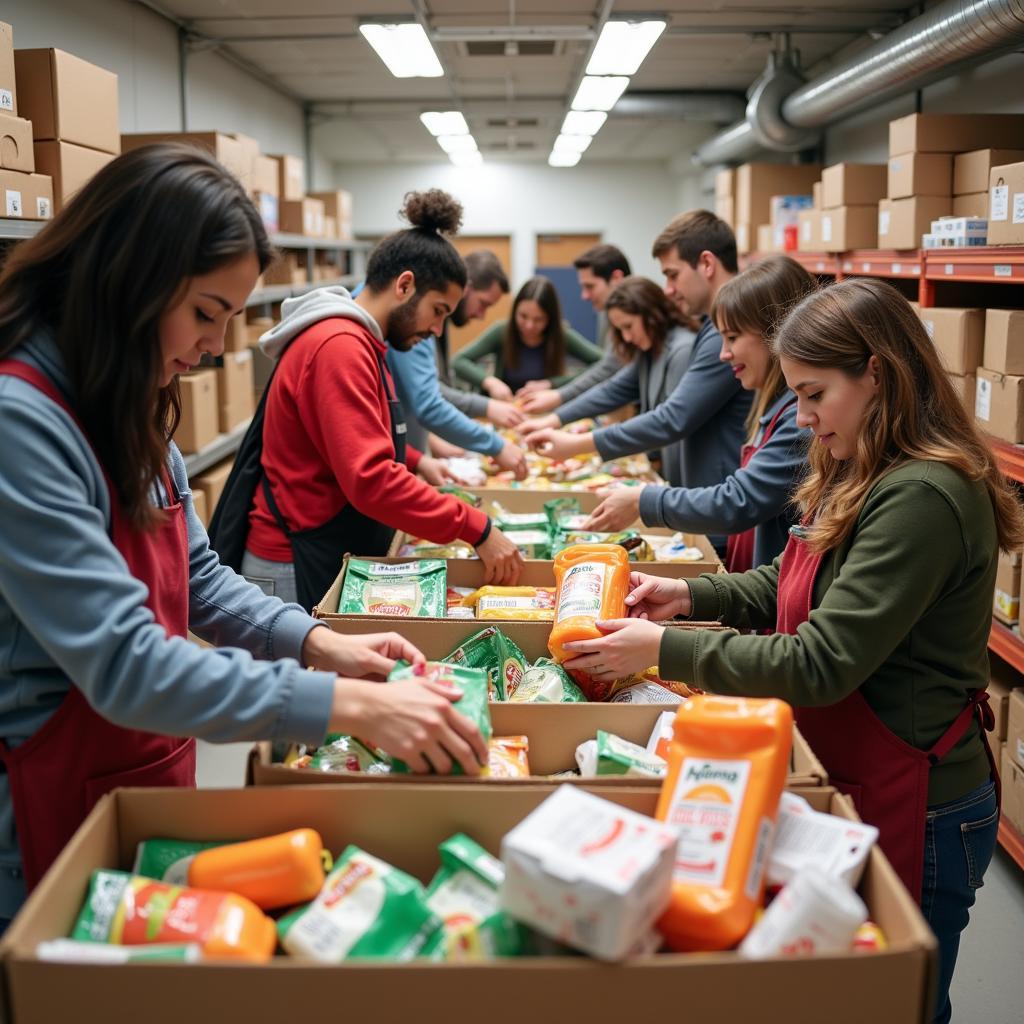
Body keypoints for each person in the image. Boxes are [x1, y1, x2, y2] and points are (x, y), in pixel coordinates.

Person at [0, 145, 492, 925]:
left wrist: (317, 643)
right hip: (41, 803)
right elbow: (125, 662)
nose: (214, 349)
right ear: (130, 280)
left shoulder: (130, 400)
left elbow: (197, 580)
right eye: (204, 313)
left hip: (139, 763)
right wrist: (345, 706)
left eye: (228, 319)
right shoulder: (22, 425)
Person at [561, 278, 1014, 1024]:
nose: (799, 417)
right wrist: (691, 597)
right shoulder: (863, 459)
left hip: (921, 799)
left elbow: (820, 662)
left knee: (898, 1004)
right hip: (858, 771)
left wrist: (667, 649)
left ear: (878, 372)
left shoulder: (924, 496)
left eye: (813, 394)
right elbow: (795, 573)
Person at [237, 190, 523, 610]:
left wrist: (415, 460)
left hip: (317, 543)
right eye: (439, 311)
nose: (439, 330)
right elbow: (369, 479)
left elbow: (349, 439)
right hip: (291, 561)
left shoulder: (365, 342)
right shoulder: (339, 345)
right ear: (405, 285)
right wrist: (476, 527)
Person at [522, 210, 751, 552]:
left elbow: (673, 418)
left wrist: (578, 444)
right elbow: (613, 386)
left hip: (715, 499)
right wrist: (556, 417)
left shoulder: (713, 336)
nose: (669, 290)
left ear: (706, 263)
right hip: (699, 498)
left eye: (672, 275)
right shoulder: (707, 329)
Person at [583, 255, 815, 570]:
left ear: (776, 333)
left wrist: (644, 500)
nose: (724, 353)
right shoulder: (772, 407)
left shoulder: (800, 420)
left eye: (733, 337)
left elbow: (739, 501)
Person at [517, 276, 697, 486]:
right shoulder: (651, 347)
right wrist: (554, 419)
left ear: (652, 315)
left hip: (689, 474)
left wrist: (578, 444)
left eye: (629, 326)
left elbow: (666, 422)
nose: (627, 337)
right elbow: (611, 391)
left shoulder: (681, 350)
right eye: (621, 330)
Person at [389, 251, 529, 467]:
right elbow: (427, 401)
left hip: (407, 455)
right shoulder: (412, 322)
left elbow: (413, 389)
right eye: (483, 303)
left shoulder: (433, 323)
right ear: (466, 288)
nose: (481, 315)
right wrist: (495, 442)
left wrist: (430, 446)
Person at [519, 244, 631, 414]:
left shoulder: (628, 319)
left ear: (616, 278)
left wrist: (558, 396)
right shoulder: (609, 319)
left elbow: (607, 369)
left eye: (590, 286)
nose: (584, 296)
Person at [452, 276, 602, 400]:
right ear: (514, 310)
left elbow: (603, 364)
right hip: (504, 411)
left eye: (538, 320)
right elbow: (458, 361)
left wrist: (552, 384)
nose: (529, 326)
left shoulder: (562, 335)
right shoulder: (502, 331)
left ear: (550, 319)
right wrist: (490, 382)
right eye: (523, 316)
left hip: (548, 414)